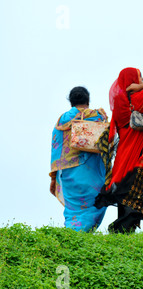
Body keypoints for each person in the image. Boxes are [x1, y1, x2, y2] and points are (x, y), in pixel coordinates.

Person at [95, 67, 143, 233]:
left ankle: (122, 235)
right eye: (140, 78)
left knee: (125, 197)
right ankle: (118, 230)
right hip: (140, 158)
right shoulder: (140, 98)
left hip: (123, 159)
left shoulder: (119, 103)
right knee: (138, 201)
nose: (142, 82)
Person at [50, 86, 108, 232]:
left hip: (68, 171)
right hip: (91, 170)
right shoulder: (97, 116)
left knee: (73, 207)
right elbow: (107, 139)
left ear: (71, 101)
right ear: (88, 100)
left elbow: (56, 147)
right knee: (95, 202)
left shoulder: (62, 120)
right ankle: (81, 233)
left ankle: (71, 231)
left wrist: (53, 176)